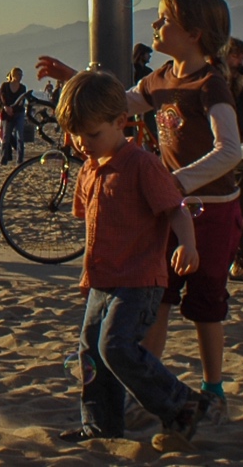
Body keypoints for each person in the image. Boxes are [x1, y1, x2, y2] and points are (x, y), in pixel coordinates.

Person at [38, 0, 240, 425]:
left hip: (210, 206)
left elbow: (230, 151)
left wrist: (174, 183)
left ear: (195, 33)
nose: (155, 23)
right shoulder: (160, 78)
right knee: (159, 298)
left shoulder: (210, 84)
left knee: (206, 302)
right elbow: (114, 108)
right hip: (168, 205)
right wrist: (74, 80)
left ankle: (213, 387)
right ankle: (144, 387)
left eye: (165, 19)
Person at [50, 70, 205, 444]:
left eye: (92, 134)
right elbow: (93, 222)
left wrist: (187, 244)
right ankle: (100, 426)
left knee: (115, 347)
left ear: (121, 122)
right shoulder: (89, 169)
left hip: (139, 280)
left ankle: (180, 403)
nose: (82, 144)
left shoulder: (142, 165)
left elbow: (176, 209)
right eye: (74, 135)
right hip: (101, 280)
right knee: (90, 354)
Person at [0, 68, 30, 166]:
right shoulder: (5, 86)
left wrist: (14, 109)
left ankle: (20, 160)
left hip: (18, 113)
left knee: (20, 137)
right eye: (18, 74)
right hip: (7, 113)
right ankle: (4, 158)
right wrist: (6, 108)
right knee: (6, 137)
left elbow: (22, 101)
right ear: (13, 75)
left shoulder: (22, 87)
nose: (20, 77)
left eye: (21, 75)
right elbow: (1, 99)